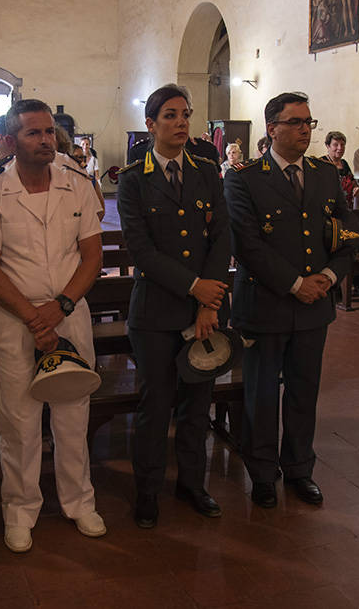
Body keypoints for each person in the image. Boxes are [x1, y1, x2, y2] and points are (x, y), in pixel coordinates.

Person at [0, 99, 106, 553]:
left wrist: (60, 307)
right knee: (19, 420)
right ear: (9, 141)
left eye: (49, 132)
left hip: (69, 314)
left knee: (72, 412)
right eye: (33, 133)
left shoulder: (77, 184)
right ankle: (20, 509)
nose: (46, 140)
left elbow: (92, 256)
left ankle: (79, 501)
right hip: (13, 320)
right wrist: (34, 316)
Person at [223, 91, 359, 509]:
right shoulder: (243, 177)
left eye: (309, 122)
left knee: (304, 392)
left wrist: (331, 274)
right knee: (262, 395)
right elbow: (246, 243)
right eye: (296, 122)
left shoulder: (323, 174)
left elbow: (349, 227)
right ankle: (263, 473)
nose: (305, 130)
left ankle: (300, 468)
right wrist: (295, 283)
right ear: (272, 128)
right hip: (266, 304)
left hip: (315, 305)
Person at [117, 84, 232, 528]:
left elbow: (222, 238)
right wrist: (196, 288)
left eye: (185, 114)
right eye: (170, 115)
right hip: (154, 316)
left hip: (202, 312)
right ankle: (147, 491)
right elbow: (142, 252)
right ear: (150, 124)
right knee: (156, 403)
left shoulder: (206, 172)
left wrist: (209, 301)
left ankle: (192, 484)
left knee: (196, 404)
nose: (181, 122)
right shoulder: (132, 180)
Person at [318, 130, 358, 209]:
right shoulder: (320, 163)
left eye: (342, 145)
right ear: (328, 146)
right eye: (335, 145)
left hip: (346, 207)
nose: (340, 148)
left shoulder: (344, 163)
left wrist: (356, 189)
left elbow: (352, 182)